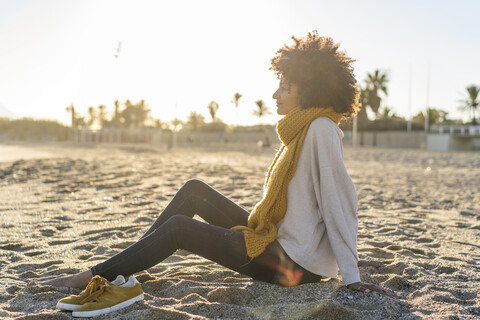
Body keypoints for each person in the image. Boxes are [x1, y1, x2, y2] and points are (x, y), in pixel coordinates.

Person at [43, 31, 395, 299]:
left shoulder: (319, 130)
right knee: (195, 191)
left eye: (284, 87)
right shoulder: (303, 130)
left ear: (311, 90)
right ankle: (128, 263)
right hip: (280, 241)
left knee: (180, 228)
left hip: (293, 266)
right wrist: (346, 260)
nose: (276, 94)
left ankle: (95, 275)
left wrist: (351, 274)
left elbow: (338, 203)